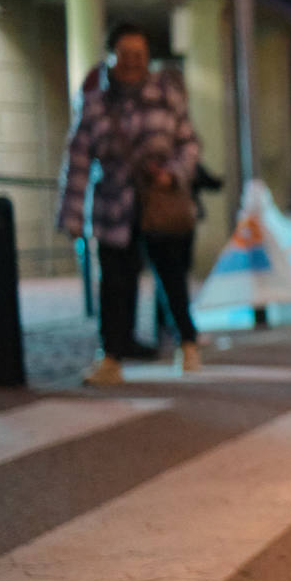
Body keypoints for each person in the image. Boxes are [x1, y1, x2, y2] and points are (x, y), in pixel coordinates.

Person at [57, 23, 203, 386]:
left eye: (139, 55)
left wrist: (173, 173)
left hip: (159, 203)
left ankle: (187, 343)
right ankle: (111, 358)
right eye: (125, 55)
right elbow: (77, 158)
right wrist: (71, 214)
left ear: (148, 58)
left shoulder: (167, 96)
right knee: (114, 285)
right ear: (111, 57)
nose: (133, 62)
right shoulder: (94, 104)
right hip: (112, 205)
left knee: (171, 278)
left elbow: (189, 144)